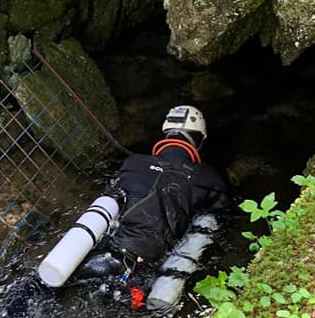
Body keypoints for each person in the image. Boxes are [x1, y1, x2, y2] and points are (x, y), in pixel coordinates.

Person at [72, 105, 231, 303]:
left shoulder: (132, 163)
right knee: (207, 219)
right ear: (200, 140)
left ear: (165, 133)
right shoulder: (209, 179)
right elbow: (224, 214)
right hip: (151, 264)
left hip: (106, 254)